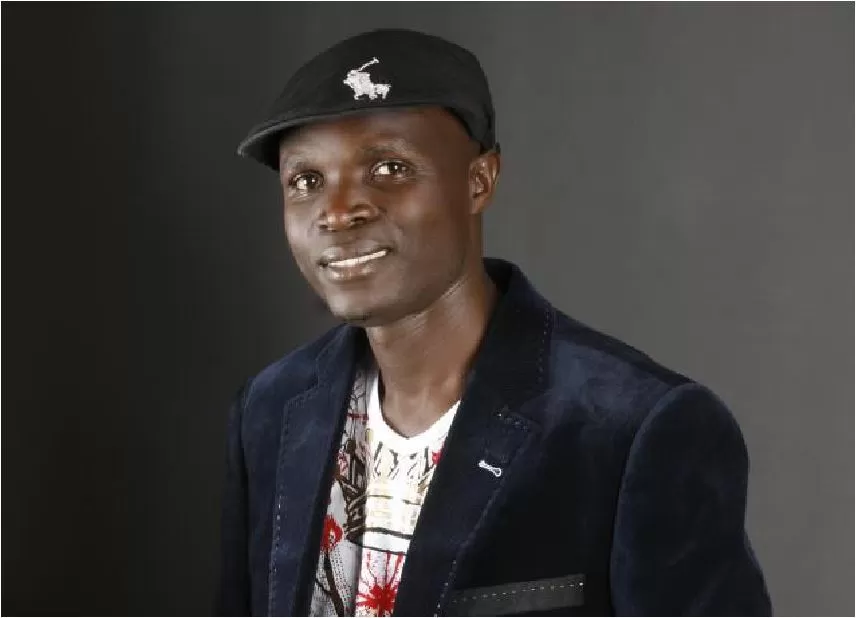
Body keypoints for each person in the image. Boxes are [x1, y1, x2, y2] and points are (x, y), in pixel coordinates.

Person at [218, 28, 771, 617]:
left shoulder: (634, 430)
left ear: (479, 181)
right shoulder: (272, 410)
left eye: (389, 168)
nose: (336, 211)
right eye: (306, 181)